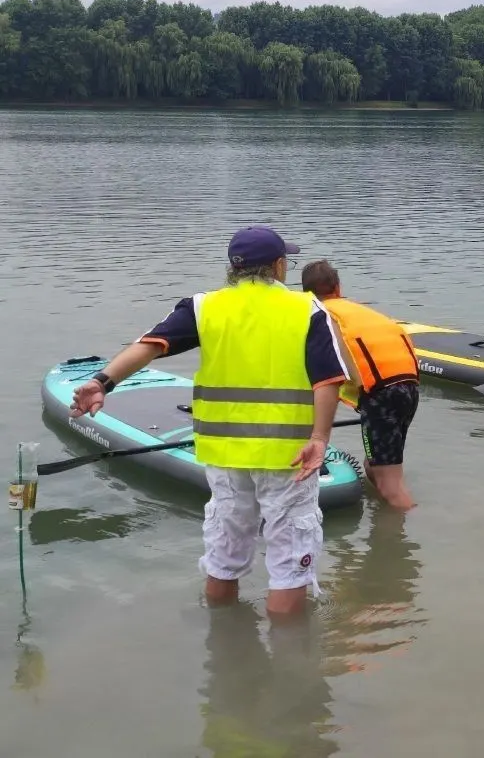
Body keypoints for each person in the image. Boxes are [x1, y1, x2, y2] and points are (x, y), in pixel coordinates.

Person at [68, 226, 348, 619]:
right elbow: (327, 381)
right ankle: (288, 664)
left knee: (224, 554)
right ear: (280, 266)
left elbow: (149, 345)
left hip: (221, 454)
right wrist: (320, 438)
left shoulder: (202, 307)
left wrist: (102, 382)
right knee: (289, 565)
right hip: (289, 457)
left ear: (233, 268)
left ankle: (225, 650)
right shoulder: (308, 310)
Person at [301, 260, 421, 512]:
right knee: (374, 466)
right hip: (409, 386)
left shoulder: (319, 316)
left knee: (391, 485)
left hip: (381, 395)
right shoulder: (357, 310)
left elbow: (324, 373)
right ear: (338, 287)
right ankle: (384, 525)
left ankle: (402, 539)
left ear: (306, 293)